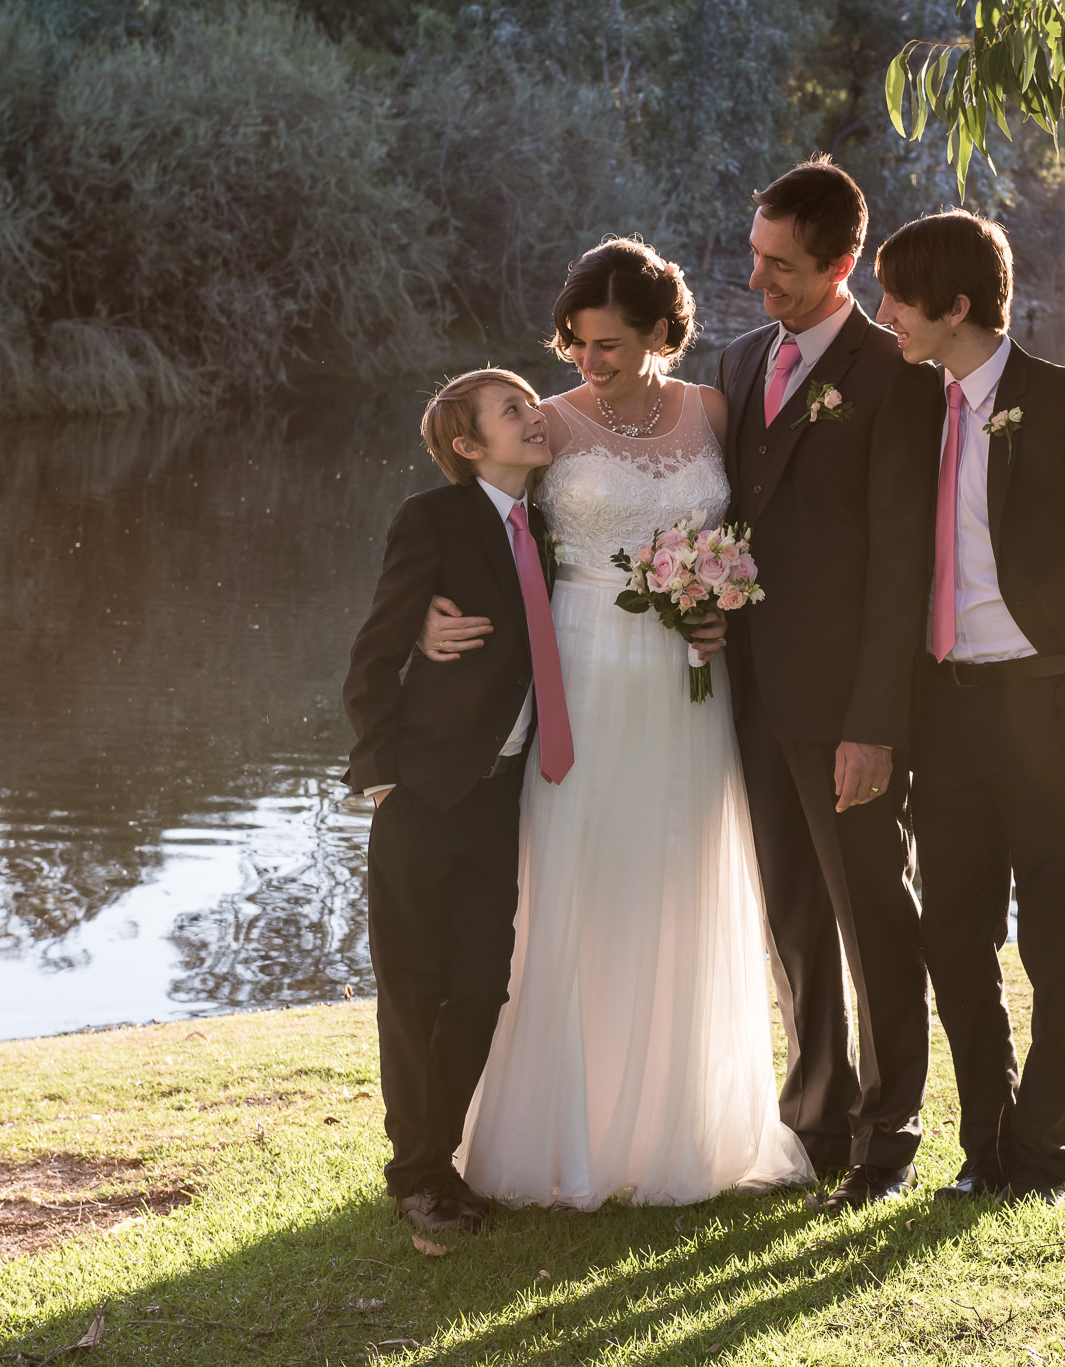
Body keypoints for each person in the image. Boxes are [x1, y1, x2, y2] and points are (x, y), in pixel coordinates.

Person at [451, 237, 812, 1207]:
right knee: (577, 881)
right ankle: (567, 1134)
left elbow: (752, 534)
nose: (584, 361)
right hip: (578, 667)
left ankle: (681, 1129)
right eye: (574, 341)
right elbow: (479, 532)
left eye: (607, 344)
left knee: (678, 876)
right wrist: (439, 622)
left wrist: (720, 604)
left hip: (688, 677)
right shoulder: (551, 424)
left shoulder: (711, 410)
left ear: (660, 333)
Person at [872, 210, 1065, 1205]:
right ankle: (984, 1145)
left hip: (1044, 712)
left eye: (899, 300)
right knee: (951, 936)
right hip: (945, 717)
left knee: (1053, 945)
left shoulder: (1063, 402)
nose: (885, 318)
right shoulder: (911, 407)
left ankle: (1041, 1156)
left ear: (955, 307)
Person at [714, 157, 944, 1212]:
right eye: (755, 257)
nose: (759, 280)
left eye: (783, 267)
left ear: (843, 264)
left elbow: (902, 565)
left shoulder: (896, 374)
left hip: (845, 710)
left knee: (869, 919)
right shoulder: (734, 359)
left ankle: (885, 1136)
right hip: (751, 702)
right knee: (793, 920)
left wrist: (872, 727)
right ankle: (814, 1120)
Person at [341, 368, 566, 1232]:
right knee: (413, 988)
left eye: (530, 402)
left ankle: (439, 1155)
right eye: (513, 410)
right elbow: (373, 654)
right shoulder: (430, 520)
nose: (533, 414)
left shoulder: (546, 529)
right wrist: (381, 771)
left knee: (480, 985)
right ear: (469, 446)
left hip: (502, 797)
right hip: (423, 794)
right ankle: (420, 1173)